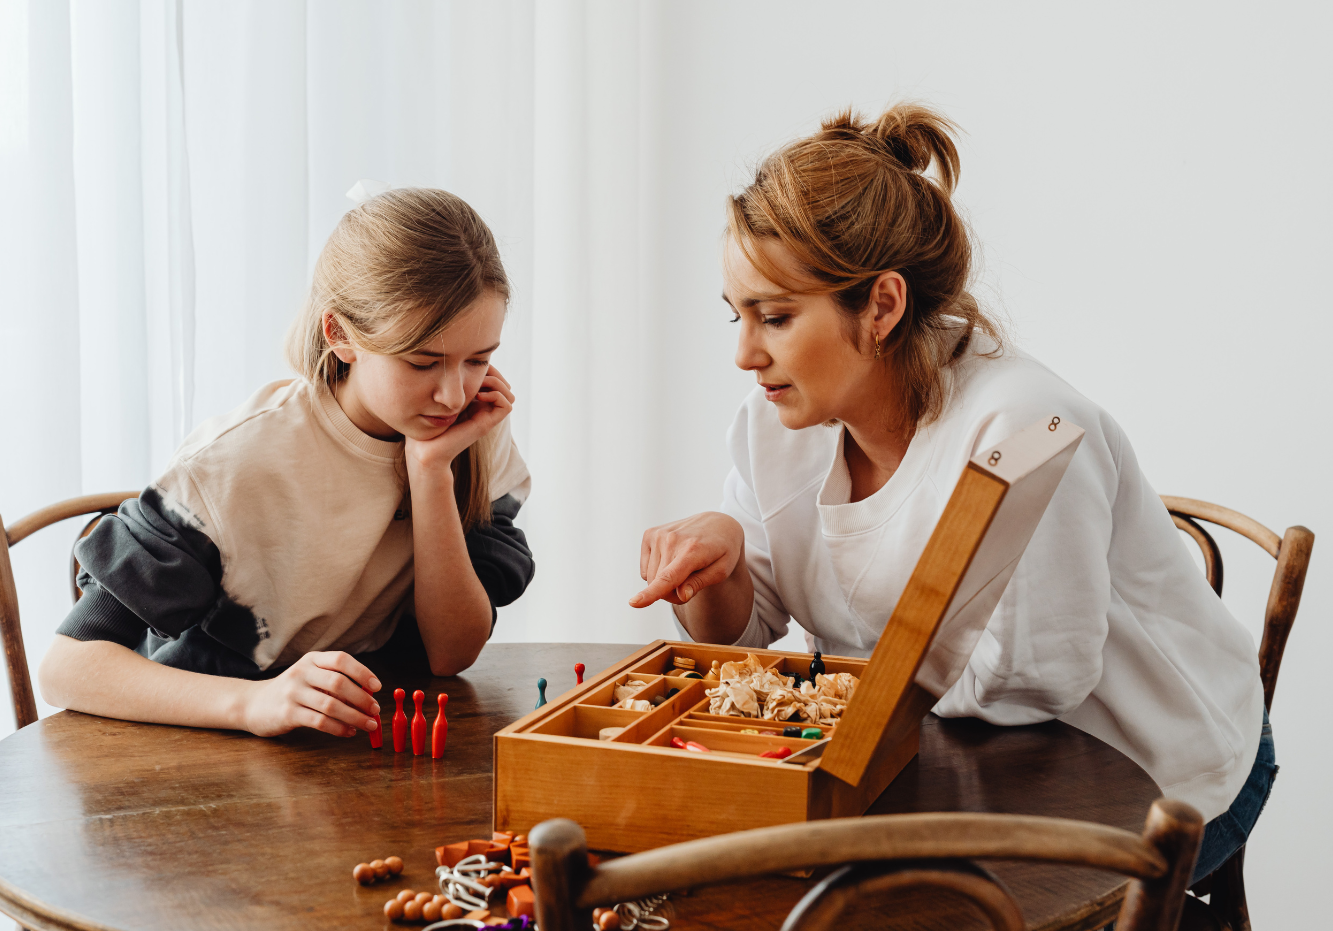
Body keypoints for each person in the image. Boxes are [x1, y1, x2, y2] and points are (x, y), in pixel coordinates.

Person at [630, 105, 1274, 881]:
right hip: (954, 761)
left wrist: (848, 700)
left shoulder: (1027, 428)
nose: (742, 353)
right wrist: (723, 562)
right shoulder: (783, 411)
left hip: (1149, 779)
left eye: (774, 317)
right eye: (736, 315)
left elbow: (1037, 685)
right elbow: (744, 629)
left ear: (881, 306)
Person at [39, 187, 534, 741]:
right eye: (423, 362)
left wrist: (430, 472)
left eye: (479, 359)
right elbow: (65, 668)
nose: (453, 394)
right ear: (340, 335)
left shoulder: (471, 428)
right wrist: (256, 703)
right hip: (201, 740)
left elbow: (450, 654)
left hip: (348, 739)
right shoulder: (236, 461)